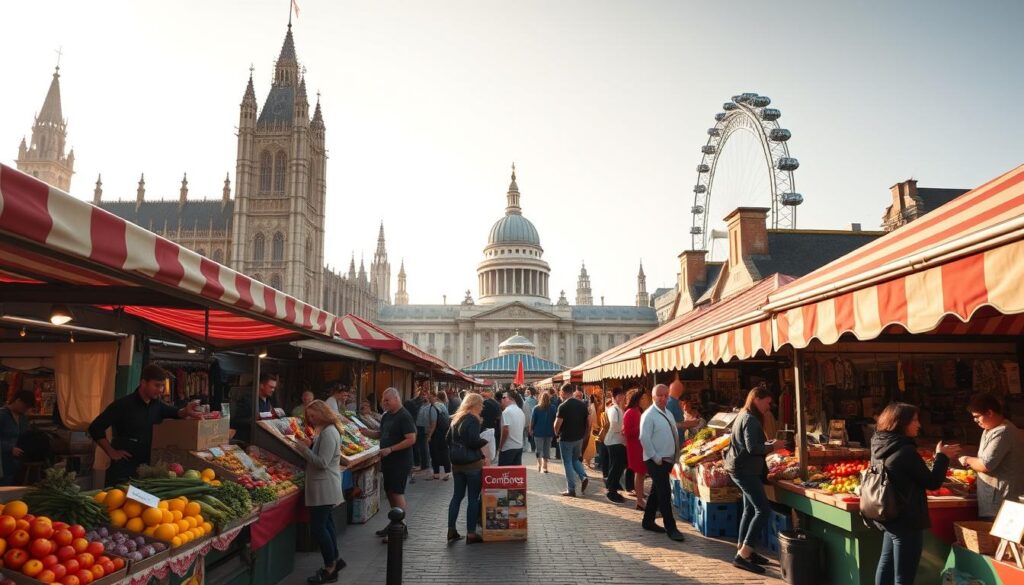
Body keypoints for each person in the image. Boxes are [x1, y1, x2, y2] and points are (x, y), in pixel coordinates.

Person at [870, 402, 959, 585]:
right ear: (901, 423)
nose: (919, 425)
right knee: (904, 575)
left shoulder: (880, 443)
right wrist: (941, 456)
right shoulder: (905, 451)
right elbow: (932, 482)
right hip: (906, 518)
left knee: (886, 566)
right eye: (915, 420)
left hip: (888, 514)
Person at [89, 364, 202, 485]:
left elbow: (176, 412)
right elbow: (95, 428)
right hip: (123, 468)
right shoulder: (123, 405)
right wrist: (111, 452)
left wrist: (186, 411)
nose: (160, 390)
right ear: (143, 383)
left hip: (147, 469)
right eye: (157, 385)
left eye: (162, 386)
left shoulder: (157, 405)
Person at [725, 387, 784, 574]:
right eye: (767, 402)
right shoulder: (750, 419)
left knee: (749, 509)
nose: (769, 406)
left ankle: (744, 549)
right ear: (757, 399)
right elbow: (752, 448)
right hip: (745, 470)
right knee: (763, 510)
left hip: (740, 468)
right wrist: (772, 446)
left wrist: (767, 445)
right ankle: (743, 555)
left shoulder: (743, 415)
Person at [295, 401, 345, 584]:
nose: (310, 420)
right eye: (309, 417)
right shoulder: (325, 431)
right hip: (323, 487)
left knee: (318, 527)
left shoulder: (329, 432)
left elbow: (322, 462)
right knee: (328, 524)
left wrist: (303, 449)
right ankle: (335, 561)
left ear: (322, 413)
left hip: (324, 487)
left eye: (313, 416)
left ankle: (329, 567)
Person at [359, 388, 416, 542]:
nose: (383, 403)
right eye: (383, 400)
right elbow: (381, 433)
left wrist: (391, 449)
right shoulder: (386, 416)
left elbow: (411, 439)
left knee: (397, 493)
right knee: (390, 492)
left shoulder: (404, 416)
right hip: (388, 461)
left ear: (396, 399)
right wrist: (365, 432)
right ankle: (394, 522)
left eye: (387, 400)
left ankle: (401, 527)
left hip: (400, 461)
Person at [959, 393, 1024, 518]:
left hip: (1002, 504)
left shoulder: (1004, 431)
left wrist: (967, 459)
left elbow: (985, 464)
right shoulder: (989, 430)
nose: (975, 420)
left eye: (977, 416)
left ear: (989, 413)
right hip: (992, 501)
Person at [638, 384, 685, 542]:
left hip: (667, 459)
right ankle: (671, 527)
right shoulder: (649, 415)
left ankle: (648, 520)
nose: (663, 398)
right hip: (655, 460)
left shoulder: (669, 413)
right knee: (664, 492)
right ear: (653, 397)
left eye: (666, 395)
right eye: (660, 395)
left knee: (656, 492)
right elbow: (644, 438)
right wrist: (656, 457)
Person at [446, 394, 488, 544]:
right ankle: (471, 533)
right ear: (474, 404)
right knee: (473, 499)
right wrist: (485, 439)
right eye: (481, 404)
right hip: (472, 465)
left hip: (457, 465)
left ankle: (451, 529)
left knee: (457, 497)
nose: (482, 407)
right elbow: (473, 442)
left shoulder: (456, 418)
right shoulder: (473, 419)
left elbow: (447, 439)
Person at [553, 385, 592, 497]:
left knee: (568, 463)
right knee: (575, 459)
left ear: (564, 392)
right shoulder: (582, 405)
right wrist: (585, 435)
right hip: (579, 438)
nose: (560, 394)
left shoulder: (563, 406)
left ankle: (571, 489)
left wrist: (556, 434)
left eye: (560, 392)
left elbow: (557, 424)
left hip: (566, 438)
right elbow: (589, 422)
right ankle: (583, 476)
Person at [232, 372, 279, 443]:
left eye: (274, 388)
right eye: (271, 387)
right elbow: (237, 421)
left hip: (263, 438)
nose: (273, 390)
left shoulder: (269, 401)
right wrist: (255, 419)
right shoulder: (248, 400)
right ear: (262, 385)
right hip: (248, 440)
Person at [0, 391, 34, 486]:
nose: (26, 409)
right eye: (25, 406)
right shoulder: (2, 415)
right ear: (18, 401)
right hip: (2, 460)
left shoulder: (23, 418)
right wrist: (9, 448)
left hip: (14, 462)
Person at [622, 388, 647, 510]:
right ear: (637, 399)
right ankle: (639, 501)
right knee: (639, 472)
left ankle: (640, 498)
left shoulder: (637, 411)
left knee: (641, 473)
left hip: (639, 446)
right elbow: (627, 432)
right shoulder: (630, 412)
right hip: (635, 447)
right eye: (643, 398)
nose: (645, 400)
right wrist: (642, 427)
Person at [604, 387, 628, 503]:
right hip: (614, 441)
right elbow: (614, 424)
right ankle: (611, 491)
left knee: (618, 466)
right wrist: (622, 430)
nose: (622, 397)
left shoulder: (618, 409)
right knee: (616, 466)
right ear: (614, 397)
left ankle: (611, 485)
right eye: (619, 395)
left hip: (618, 441)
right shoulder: (614, 409)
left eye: (622, 395)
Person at [529, 391, 556, 473]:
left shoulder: (536, 408)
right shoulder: (553, 408)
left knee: (539, 449)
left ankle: (539, 464)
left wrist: (531, 430)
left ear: (540, 398)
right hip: (549, 432)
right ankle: (545, 466)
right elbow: (555, 420)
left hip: (538, 432)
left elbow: (533, 421)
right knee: (546, 449)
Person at [428, 391, 452, 481]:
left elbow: (433, 424)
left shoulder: (433, 407)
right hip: (444, 433)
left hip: (436, 434)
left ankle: (436, 474)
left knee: (434, 453)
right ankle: (447, 473)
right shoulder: (442, 405)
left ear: (435, 397)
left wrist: (429, 436)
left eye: (430, 397)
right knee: (445, 452)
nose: (429, 399)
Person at [498, 390, 526, 466]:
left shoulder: (506, 412)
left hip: (508, 448)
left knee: (504, 474)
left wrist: (500, 446)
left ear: (507, 398)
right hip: (519, 447)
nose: (501, 401)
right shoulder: (520, 411)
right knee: (515, 474)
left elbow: (506, 430)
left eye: (503, 398)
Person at [413, 385, 436, 475]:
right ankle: (423, 464)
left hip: (424, 428)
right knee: (421, 447)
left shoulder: (431, 407)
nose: (423, 397)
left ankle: (425, 465)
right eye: (422, 395)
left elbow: (433, 422)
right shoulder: (421, 405)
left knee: (424, 447)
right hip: (419, 427)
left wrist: (430, 433)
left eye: (425, 395)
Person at [594, 396, 610, 477]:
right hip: (606, 436)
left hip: (604, 436)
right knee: (605, 456)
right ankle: (605, 474)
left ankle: (605, 473)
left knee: (604, 456)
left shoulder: (603, 411)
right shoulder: (604, 412)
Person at [522, 388, 537, 453]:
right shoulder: (536, 400)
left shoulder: (526, 401)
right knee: (531, 433)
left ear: (529, 393)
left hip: (528, 418)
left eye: (526, 392)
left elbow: (525, 411)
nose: (525, 393)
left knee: (527, 433)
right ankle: (533, 447)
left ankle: (528, 447)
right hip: (533, 418)